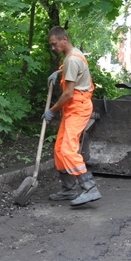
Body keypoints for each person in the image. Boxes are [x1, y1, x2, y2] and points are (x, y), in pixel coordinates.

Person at [44, 26, 101, 206]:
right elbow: (74, 71)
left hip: (78, 107)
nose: (53, 48)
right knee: (60, 149)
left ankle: (90, 187)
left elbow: (68, 93)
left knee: (69, 149)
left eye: (54, 44)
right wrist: (59, 73)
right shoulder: (73, 55)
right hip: (72, 108)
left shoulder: (72, 60)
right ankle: (68, 189)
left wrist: (52, 110)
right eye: (51, 45)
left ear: (64, 40)